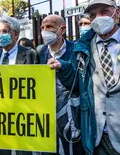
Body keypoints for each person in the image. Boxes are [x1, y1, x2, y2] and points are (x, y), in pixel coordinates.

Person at [48, 0, 120, 154]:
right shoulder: (83, 48)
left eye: (104, 12)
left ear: (117, 13)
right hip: (98, 134)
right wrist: (63, 68)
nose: (98, 18)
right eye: (93, 15)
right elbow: (75, 82)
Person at [38, 15, 84, 155]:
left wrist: (62, 67)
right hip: (48, 113)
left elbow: (79, 81)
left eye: (50, 27)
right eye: (43, 28)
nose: (45, 31)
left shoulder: (76, 49)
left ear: (62, 29)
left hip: (72, 113)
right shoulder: (40, 51)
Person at [0, 16, 37, 155]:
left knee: (23, 150)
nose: (0, 35)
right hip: (0, 112)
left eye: (4, 31)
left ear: (15, 34)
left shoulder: (30, 54)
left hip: (22, 113)